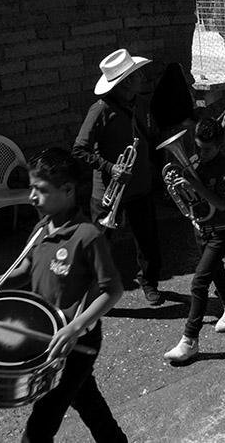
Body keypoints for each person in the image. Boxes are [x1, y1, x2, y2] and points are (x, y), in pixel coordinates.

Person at [0, 148, 127, 443]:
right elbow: (26, 268)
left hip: (75, 342)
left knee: (40, 428)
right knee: (87, 401)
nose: (31, 197)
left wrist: (75, 328)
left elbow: (112, 290)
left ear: (67, 190)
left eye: (40, 190)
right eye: (32, 188)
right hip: (48, 336)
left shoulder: (87, 236)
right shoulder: (42, 228)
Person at [73, 49, 163, 305]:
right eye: (136, 75)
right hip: (108, 191)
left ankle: (150, 283)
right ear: (125, 83)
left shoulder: (141, 104)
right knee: (99, 246)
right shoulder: (100, 110)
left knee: (148, 240)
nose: (142, 76)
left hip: (140, 187)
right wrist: (110, 167)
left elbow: (152, 137)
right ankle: (94, 292)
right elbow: (79, 149)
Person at [164, 118, 225, 363]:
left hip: (221, 230)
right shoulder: (196, 163)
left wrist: (195, 185)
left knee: (199, 283)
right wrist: (180, 186)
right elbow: (188, 197)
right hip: (201, 228)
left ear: (219, 145)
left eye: (207, 149)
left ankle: (190, 340)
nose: (201, 153)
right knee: (215, 272)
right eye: (198, 147)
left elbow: (221, 204)